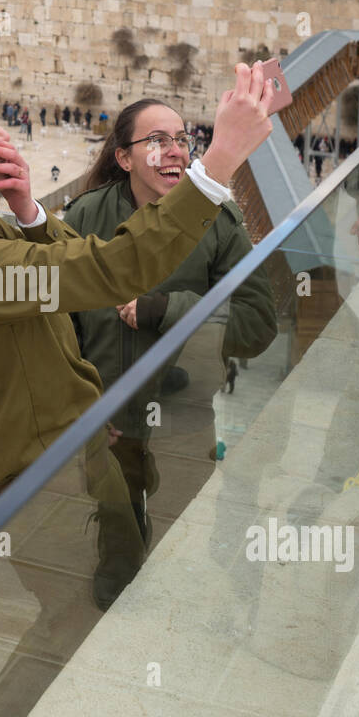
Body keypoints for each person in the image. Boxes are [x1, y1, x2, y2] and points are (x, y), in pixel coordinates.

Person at [0, 67, 273, 710]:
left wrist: (30, 212)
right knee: (70, 631)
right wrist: (220, 161)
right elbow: (110, 270)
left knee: (103, 613)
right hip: (43, 488)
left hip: (72, 459)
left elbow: (62, 272)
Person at [66, 99, 279, 534]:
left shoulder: (218, 224)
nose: (176, 151)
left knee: (179, 540)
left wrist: (168, 309)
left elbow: (257, 326)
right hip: (106, 423)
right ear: (123, 158)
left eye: (182, 140)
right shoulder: (87, 215)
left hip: (181, 419)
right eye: (157, 141)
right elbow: (61, 329)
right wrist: (81, 409)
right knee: (114, 539)